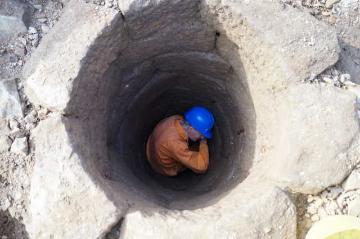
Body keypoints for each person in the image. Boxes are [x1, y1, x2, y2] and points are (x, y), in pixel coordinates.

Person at [146, 106, 215, 176]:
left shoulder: (176, 118)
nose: (202, 137)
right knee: (197, 150)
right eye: (201, 134)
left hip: (151, 148)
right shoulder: (176, 144)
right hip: (162, 167)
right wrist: (203, 142)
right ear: (191, 128)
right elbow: (201, 167)